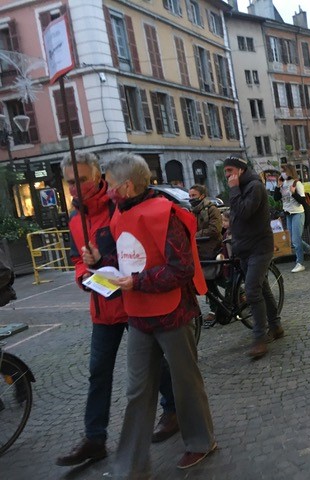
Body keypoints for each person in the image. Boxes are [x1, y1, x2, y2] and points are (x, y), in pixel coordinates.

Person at [90, 153, 215, 476]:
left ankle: (201, 442)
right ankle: (130, 464)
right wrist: (100, 262)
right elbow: (128, 257)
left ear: (127, 186)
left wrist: (137, 281)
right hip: (138, 315)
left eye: (111, 185)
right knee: (137, 390)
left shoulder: (165, 213)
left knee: (185, 382)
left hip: (173, 313)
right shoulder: (120, 214)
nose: (107, 191)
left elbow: (182, 268)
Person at [55, 153, 178, 468]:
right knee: (98, 372)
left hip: (133, 301)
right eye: (70, 182)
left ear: (98, 177)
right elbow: (78, 259)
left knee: (154, 363)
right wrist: (83, 276)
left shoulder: (119, 207)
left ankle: (173, 409)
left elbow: (138, 249)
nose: (75, 187)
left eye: (81, 179)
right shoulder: (74, 219)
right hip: (102, 308)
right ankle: (94, 438)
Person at [224, 156, 284, 359]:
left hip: (260, 247)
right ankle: (275, 326)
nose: (227, 175)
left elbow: (244, 211)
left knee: (251, 291)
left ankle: (260, 337)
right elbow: (236, 215)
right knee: (262, 288)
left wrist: (234, 190)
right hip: (244, 248)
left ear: (241, 170)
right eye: (225, 171)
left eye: (230, 170)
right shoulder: (240, 187)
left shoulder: (255, 187)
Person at [273, 163, 310, 273]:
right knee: (292, 239)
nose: (282, 173)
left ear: (289, 171)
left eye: (284, 171)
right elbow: (276, 198)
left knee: (296, 239)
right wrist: (278, 186)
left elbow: (303, 201)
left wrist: (294, 193)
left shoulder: (297, 183)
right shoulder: (283, 183)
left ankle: (300, 263)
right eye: (281, 171)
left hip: (298, 213)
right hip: (288, 213)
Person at [188, 184, 223, 260]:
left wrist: (196, 235)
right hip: (197, 248)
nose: (191, 198)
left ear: (202, 196)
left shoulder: (212, 209)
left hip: (211, 248)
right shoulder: (192, 211)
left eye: (193, 195)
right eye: (190, 196)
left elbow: (215, 229)